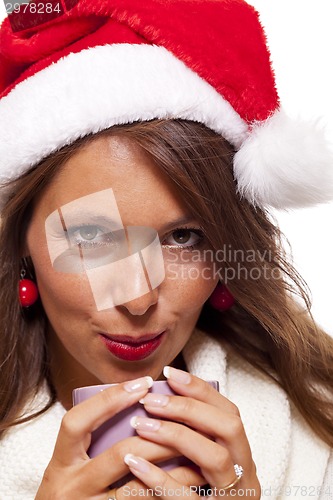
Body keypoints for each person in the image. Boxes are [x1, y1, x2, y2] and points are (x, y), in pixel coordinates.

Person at [0, 0, 332, 498]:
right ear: (21, 242)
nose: (137, 300)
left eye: (183, 238)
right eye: (91, 236)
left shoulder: (320, 424)